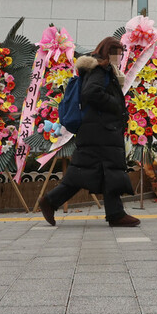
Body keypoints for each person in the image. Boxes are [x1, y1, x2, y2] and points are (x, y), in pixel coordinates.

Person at [37, 37, 140, 227]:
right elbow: (91, 92)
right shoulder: (100, 70)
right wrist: (116, 104)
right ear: (109, 53)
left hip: (99, 131)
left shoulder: (102, 70)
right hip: (100, 132)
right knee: (99, 171)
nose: (120, 57)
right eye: (118, 54)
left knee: (96, 172)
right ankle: (51, 201)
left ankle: (114, 213)